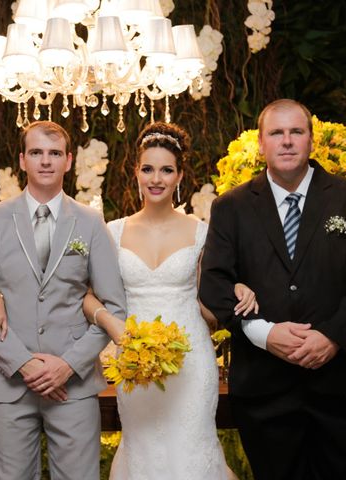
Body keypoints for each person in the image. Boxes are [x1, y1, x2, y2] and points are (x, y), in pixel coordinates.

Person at [199, 99, 346, 480]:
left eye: (296, 132)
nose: (286, 141)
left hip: (341, 389)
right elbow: (214, 283)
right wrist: (266, 333)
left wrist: (331, 337)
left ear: (311, 140)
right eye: (276, 133)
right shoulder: (230, 207)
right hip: (265, 392)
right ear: (261, 144)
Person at [82, 122, 257, 480]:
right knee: (144, 451)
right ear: (136, 172)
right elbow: (86, 296)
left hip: (191, 362)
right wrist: (109, 323)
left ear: (179, 176)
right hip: (135, 363)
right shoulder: (112, 232)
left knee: (191, 451)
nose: (156, 178)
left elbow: (208, 307)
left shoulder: (201, 232)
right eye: (148, 169)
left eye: (166, 170)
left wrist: (237, 289)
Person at [0, 120, 127, 480]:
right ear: (22, 160)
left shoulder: (89, 222)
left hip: (73, 385)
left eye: (54, 153)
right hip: (8, 384)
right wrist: (25, 365)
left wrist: (67, 365)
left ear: (68, 161)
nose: (45, 161)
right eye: (36, 153)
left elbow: (113, 308)